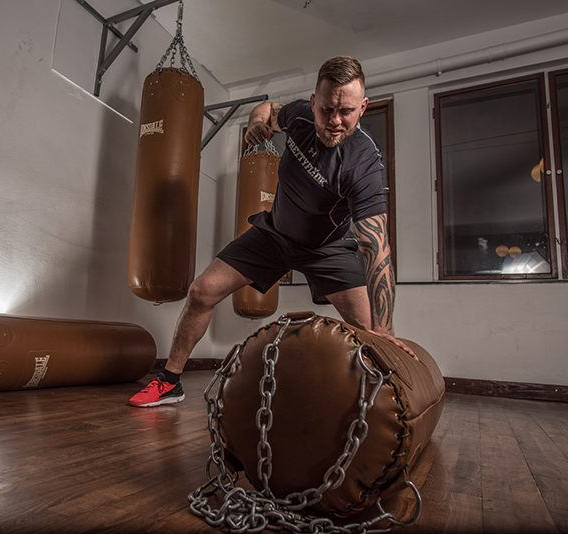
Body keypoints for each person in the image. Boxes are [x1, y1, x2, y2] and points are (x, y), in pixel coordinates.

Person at [129, 55, 414, 408]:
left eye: (347, 111)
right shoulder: (298, 116)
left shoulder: (363, 163)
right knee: (202, 292)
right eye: (327, 110)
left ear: (363, 107)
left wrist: (384, 329)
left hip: (327, 248)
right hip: (273, 235)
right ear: (313, 103)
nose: (335, 121)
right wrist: (256, 123)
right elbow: (267, 108)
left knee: (374, 332)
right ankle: (170, 382)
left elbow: (376, 247)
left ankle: (393, 405)